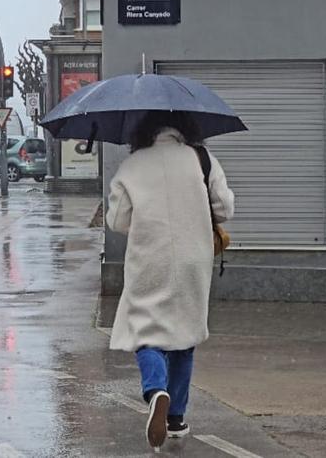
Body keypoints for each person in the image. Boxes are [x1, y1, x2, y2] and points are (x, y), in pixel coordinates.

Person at [106, 110, 235, 451]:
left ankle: (155, 390)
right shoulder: (202, 159)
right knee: (185, 332)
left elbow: (118, 220)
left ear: (143, 130)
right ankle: (176, 417)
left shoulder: (132, 165)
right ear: (186, 127)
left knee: (146, 329)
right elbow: (224, 209)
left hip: (150, 258)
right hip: (194, 258)